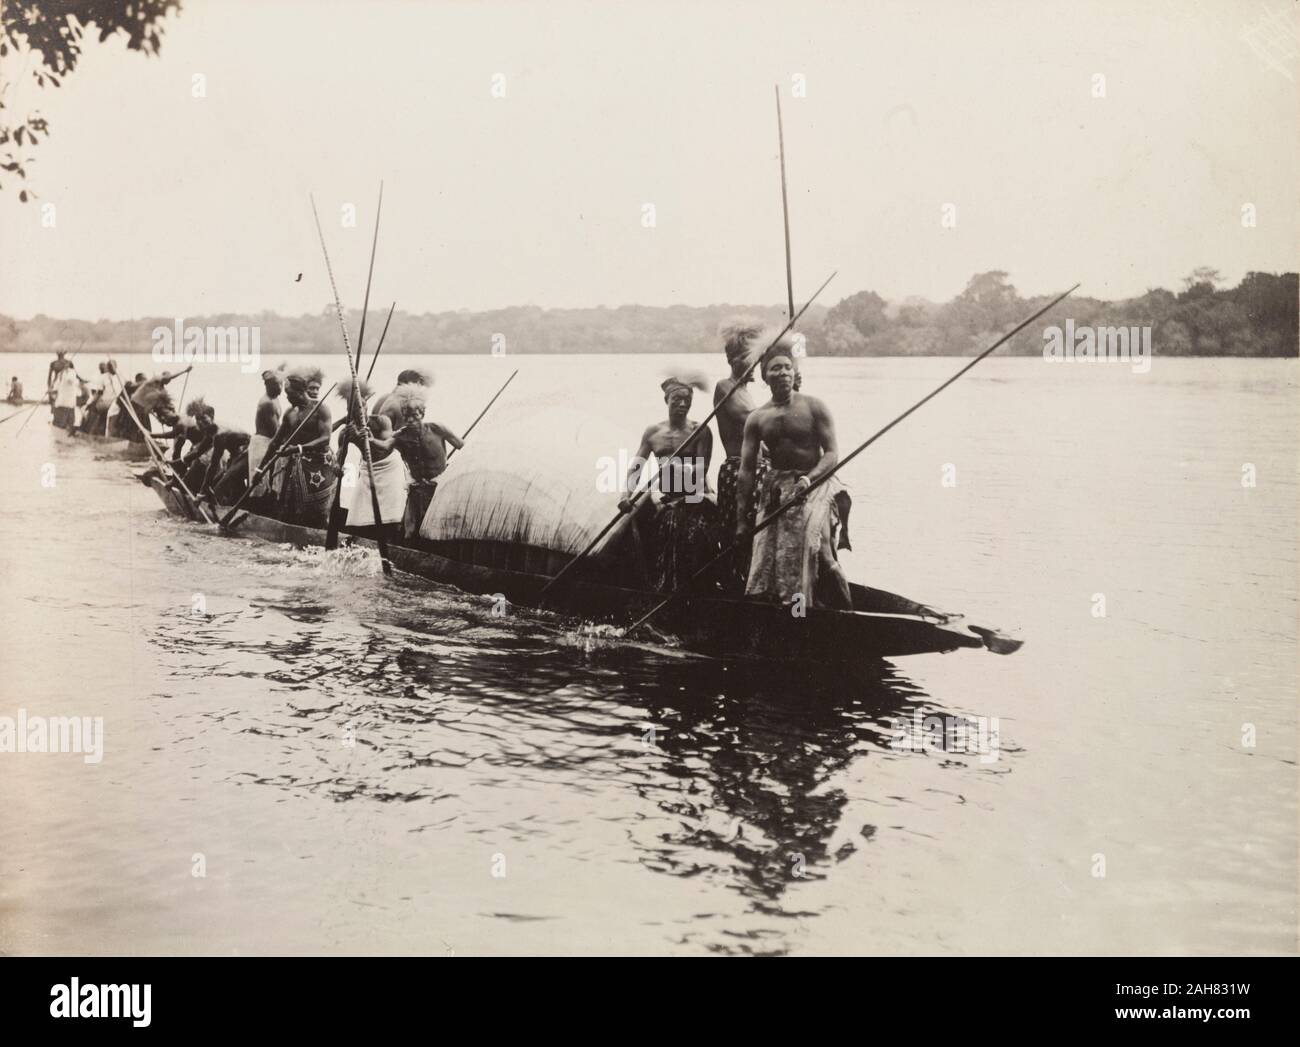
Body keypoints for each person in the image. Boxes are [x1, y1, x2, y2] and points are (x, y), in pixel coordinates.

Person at [735, 337, 851, 609]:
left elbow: (832, 453)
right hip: (777, 488)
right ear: (765, 376)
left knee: (820, 552)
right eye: (775, 368)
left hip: (815, 483)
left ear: (794, 372)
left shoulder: (814, 406)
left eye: (787, 367)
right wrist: (742, 521)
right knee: (767, 558)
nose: (783, 373)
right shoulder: (757, 418)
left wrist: (807, 481)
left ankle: (848, 612)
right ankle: (784, 611)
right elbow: (746, 470)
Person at [619, 374, 718, 592]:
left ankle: (689, 591)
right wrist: (625, 496)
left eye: (687, 399)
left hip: (694, 499)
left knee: (681, 528)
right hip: (665, 499)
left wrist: (679, 470)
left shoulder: (700, 431)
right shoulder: (653, 432)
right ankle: (655, 588)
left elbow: (701, 474)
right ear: (667, 400)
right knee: (638, 527)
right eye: (677, 399)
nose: (683, 404)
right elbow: (636, 467)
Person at [713, 321, 770, 589]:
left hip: (761, 471)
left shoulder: (748, 392)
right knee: (739, 533)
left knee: (762, 532)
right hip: (738, 471)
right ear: (731, 360)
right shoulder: (725, 387)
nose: (749, 363)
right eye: (743, 358)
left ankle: (757, 583)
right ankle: (735, 587)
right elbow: (751, 420)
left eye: (753, 358)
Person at [372, 382, 462, 536]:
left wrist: (457, 472)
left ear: (422, 414)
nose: (410, 420)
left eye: (415, 416)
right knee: (411, 530)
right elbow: (386, 446)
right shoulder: (400, 435)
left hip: (440, 487)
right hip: (417, 489)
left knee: (441, 527)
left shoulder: (437, 428)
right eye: (406, 416)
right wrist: (370, 440)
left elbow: (461, 445)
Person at [259, 364, 334, 527]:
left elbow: (325, 438)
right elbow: (275, 442)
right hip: (297, 465)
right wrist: (260, 468)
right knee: (290, 506)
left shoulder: (320, 409)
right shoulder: (290, 413)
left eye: (289, 393)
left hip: (319, 465)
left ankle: (320, 532)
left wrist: (299, 448)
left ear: (300, 392)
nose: (286, 397)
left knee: (318, 512)